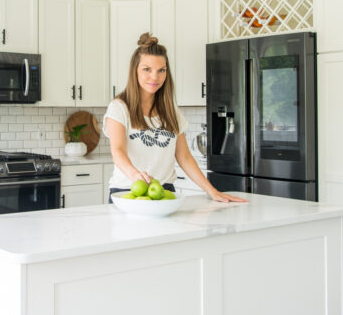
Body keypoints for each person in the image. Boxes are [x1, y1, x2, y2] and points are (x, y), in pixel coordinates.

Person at [103, 32, 247, 203]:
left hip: (164, 192)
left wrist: (211, 190)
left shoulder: (171, 111)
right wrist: (135, 176)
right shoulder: (119, 108)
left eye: (161, 70)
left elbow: (184, 156)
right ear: (134, 71)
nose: (155, 77)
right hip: (127, 191)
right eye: (147, 69)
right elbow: (118, 150)